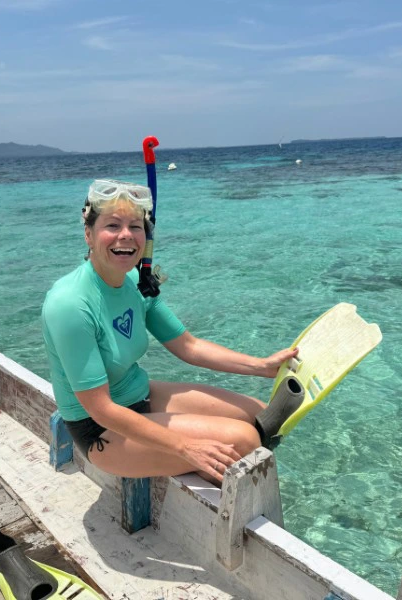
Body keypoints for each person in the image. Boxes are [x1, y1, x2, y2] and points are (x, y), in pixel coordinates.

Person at [42, 179, 297, 484]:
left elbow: (188, 346)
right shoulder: (69, 304)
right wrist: (185, 447)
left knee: (261, 415)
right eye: (112, 225)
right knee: (243, 442)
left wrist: (261, 366)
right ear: (89, 235)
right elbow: (102, 410)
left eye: (135, 226)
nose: (125, 235)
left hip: (140, 394)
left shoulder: (135, 280)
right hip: (101, 429)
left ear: (145, 238)